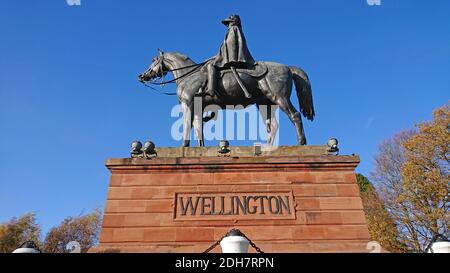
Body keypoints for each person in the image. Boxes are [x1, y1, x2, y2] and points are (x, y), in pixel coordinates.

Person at [204, 14, 255, 97]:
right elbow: (223, 52)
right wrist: (211, 58)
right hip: (228, 58)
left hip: (231, 60)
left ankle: (211, 89)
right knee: (208, 63)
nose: (227, 25)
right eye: (227, 23)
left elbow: (233, 46)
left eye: (229, 23)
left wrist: (231, 60)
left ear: (233, 22)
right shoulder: (232, 31)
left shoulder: (233, 29)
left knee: (210, 66)